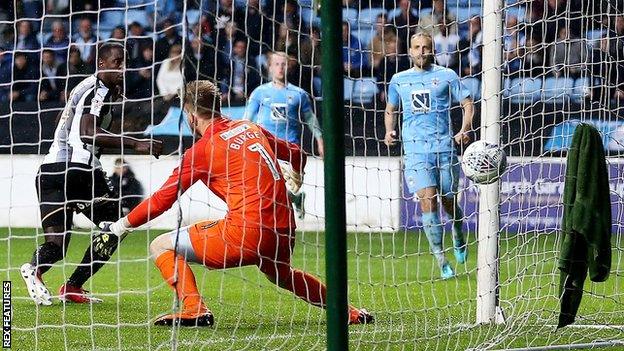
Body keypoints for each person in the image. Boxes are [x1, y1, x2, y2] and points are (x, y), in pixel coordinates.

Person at [92, 80, 373, 327]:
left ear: (190, 116)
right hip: (284, 231)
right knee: (281, 274)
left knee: (160, 245)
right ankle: (348, 312)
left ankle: (194, 309)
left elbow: (163, 200)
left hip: (246, 234)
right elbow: (297, 152)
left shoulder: (201, 150)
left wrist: (120, 227)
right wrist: (296, 176)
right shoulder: (250, 128)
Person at [20, 42, 163, 306]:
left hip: (50, 172)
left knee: (56, 244)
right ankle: (73, 285)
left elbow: (65, 123)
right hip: (79, 170)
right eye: (117, 62)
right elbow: (87, 133)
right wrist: (136, 143)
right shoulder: (99, 90)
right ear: (101, 63)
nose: (122, 68)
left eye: (124, 63)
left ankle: (34, 268)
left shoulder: (82, 87)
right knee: (116, 227)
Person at [384, 31, 474, 280]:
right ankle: (441, 260)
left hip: (444, 148)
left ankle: (457, 228)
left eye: (425, 47)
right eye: (416, 47)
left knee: (447, 200)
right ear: (410, 51)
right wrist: (389, 131)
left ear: (432, 50)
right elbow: (390, 109)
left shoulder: (447, 75)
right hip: (415, 151)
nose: (421, 51)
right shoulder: (399, 80)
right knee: (428, 199)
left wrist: (464, 130)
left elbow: (468, 103)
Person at [244, 51, 323, 219]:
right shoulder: (259, 93)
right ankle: (295, 199)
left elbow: (310, 119)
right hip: (265, 147)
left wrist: (320, 140)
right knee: (270, 188)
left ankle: (291, 202)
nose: (280, 68)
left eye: (284, 64)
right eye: (277, 64)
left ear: (289, 67)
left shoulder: (298, 94)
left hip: (289, 148)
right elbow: (247, 119)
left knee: (275, 188)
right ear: (270, 67)